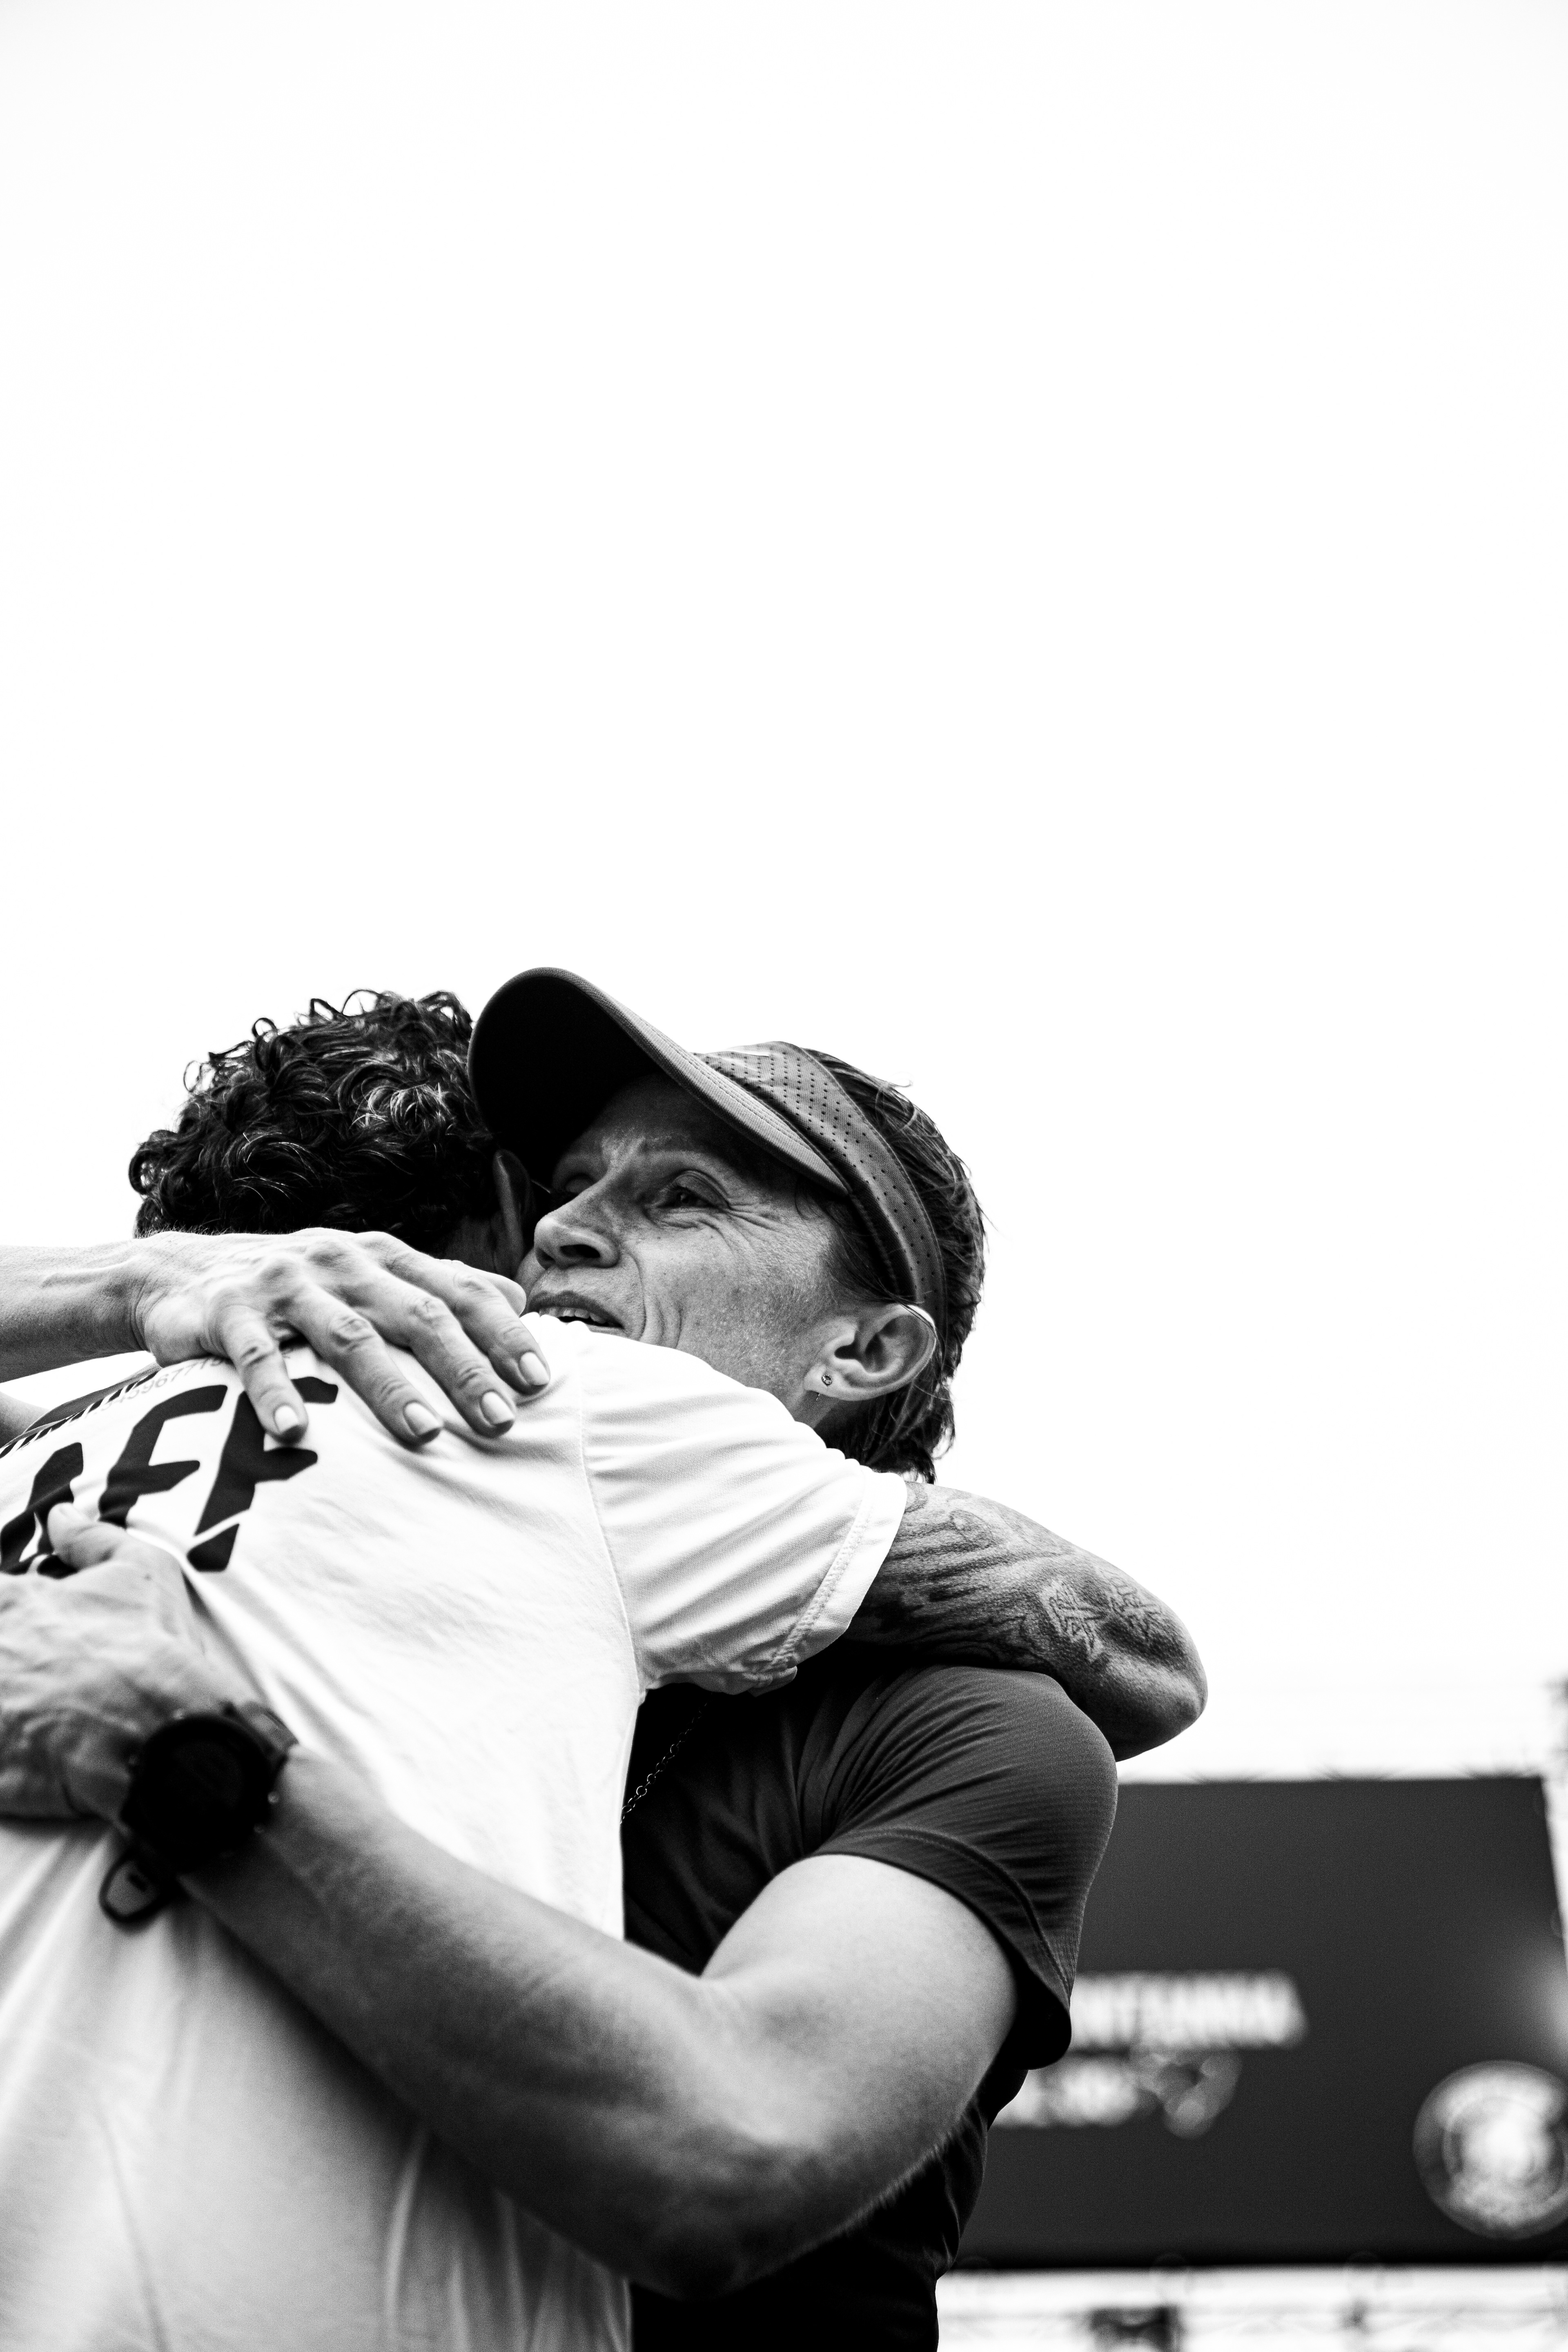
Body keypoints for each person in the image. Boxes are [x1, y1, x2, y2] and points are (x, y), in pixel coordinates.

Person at [0, 975, 1203, 2349]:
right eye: (568, 1186)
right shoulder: (350, 1532)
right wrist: (151, 1277)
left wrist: (189, 1758)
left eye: (683, 1199)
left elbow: (735, 2153)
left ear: (868, 1349)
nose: (563, 1229)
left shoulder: (971, 1729)